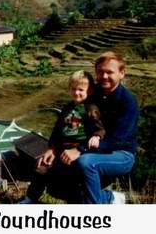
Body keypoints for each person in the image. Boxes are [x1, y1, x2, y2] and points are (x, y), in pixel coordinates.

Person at [59, 52, 139, 204]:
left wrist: (80, 150)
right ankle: (110, 198)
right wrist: (54, 147)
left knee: (86, 163)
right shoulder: (92, 93)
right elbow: (69, 112)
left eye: (109, 72)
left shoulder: (128, 101)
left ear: (122, 73)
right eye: (100, 72)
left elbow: (117, 139)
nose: (104, 76)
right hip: (92, 148)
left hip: (121, 153)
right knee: (61, 187)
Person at [20, 70, 105, 204]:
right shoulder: (66, 108)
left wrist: (97, 136)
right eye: (73, 89)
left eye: (81, 90)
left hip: (77, 150)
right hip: (61, 148)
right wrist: (51, 148)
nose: (76, 93)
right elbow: (57, 131)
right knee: (42, 167)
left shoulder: (91, 108)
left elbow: (99, 127)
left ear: (89, 91)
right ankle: (30, 198)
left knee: (70, 179)